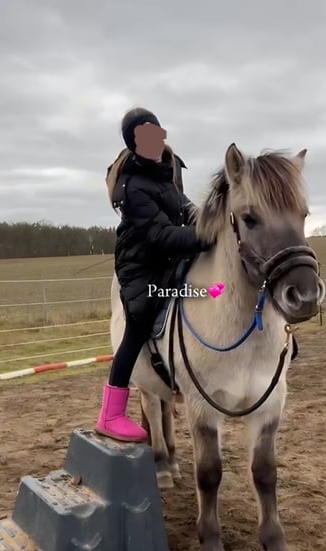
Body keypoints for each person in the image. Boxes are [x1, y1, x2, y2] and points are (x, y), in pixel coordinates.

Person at [95, 107, 213, 443]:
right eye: (142, 134)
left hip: (168, 257)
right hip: (141, 265)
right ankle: (111, 413)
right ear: (133, 143)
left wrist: (214, 219)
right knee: (139, 322)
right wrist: (207, 235)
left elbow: (186, 209)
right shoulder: (133, 186)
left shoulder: (166, 171)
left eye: (155, 131)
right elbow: (162, 234)